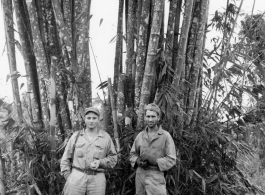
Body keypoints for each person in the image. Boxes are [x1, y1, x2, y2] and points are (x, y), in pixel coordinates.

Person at [60, 107, 117, 195]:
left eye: (94, 118)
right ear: (84, 119)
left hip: (97, 180)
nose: (91, 121)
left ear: (98, 119)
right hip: (76, 177)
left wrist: (100, 162)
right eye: (88, 118)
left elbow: (113, 158)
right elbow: (65, 158)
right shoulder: (76, 136)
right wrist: (68, 176)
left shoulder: (106, 137)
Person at [130, 103, 176, 195]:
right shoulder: (140, 135)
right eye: (148, 116)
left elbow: (172, 159)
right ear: (145, 117)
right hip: (140, 174)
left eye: (153, 116)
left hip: (156, 175)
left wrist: (155, 161)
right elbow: (132, 154)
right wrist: (138, 161)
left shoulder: (165, 136)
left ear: (158, 117)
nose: (150, 119)